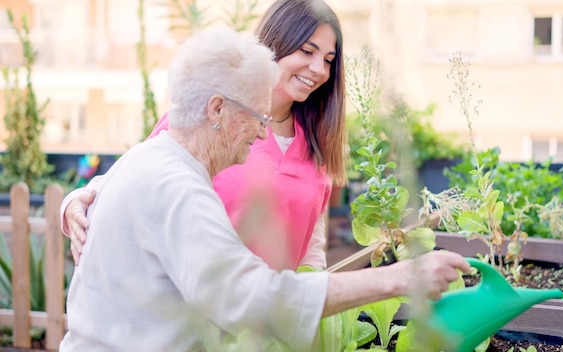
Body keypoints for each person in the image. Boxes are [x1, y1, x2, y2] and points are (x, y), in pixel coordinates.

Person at [58, 26, 471, 352]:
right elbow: (248, 296)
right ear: (217, 109)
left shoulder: (150, 161)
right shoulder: (179, 188)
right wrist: (398, 279)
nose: (262, 132)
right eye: (256, 116)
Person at [62, 0, 347, 270]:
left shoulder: (316, 142)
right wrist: (77, 201)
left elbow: (311, 238)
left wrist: (308, 291)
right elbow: (141, 176)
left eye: (329, 60)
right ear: (277, 42)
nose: (319, 69)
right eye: (308, 52)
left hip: (273, 314)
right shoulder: (213, 114)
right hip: (196, 312)